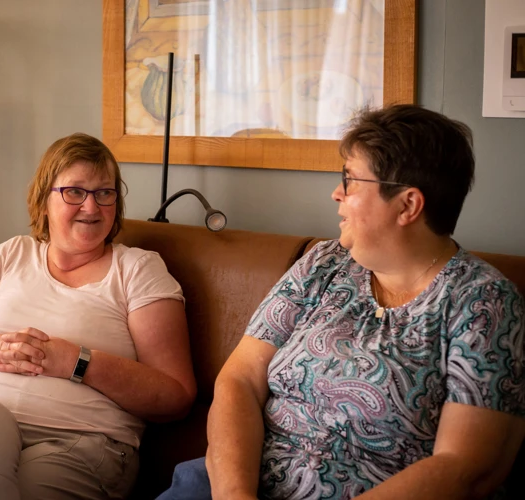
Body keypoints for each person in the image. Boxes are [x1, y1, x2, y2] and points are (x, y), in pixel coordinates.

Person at [158, 105, 525, 500]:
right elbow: (240, 379)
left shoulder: (483, 303)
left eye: (349, 180)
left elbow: (465, 466)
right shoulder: (325, 262)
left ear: (407, 205)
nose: (337, 193)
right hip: (230, 481)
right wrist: (234, 494)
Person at [0, 133, 197, 500]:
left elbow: (175, 395)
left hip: (85, 441)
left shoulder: (138, 269)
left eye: (104, 193)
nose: (92, 207)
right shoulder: (12, 254)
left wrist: (76, 362)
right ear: (44, 199)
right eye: (75, 192)